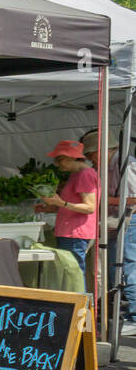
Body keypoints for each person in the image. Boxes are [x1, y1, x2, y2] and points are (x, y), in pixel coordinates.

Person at [81, 129, 136, 333]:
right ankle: (122, 313)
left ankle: (134, 316)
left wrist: (103, 200)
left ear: (103, 150)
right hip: (115, 220)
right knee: (115, 269)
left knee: (128, 267)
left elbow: (134, 198)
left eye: (90, 155)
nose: (90, 160)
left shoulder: (126, 165)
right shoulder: (105, 166)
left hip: (131, 219)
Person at [37, 139, 97, 282]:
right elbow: (71, 203)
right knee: (70, 273)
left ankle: (78, 303)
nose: (57, 164)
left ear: (72, 157)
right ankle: (76, 302)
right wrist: (49, 207)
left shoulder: (85, 175)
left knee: (73, 274)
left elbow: (90, 207)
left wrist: (61, 203)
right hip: (70, 232)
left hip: (75, 233)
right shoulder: (76, 175)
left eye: (60, 159)